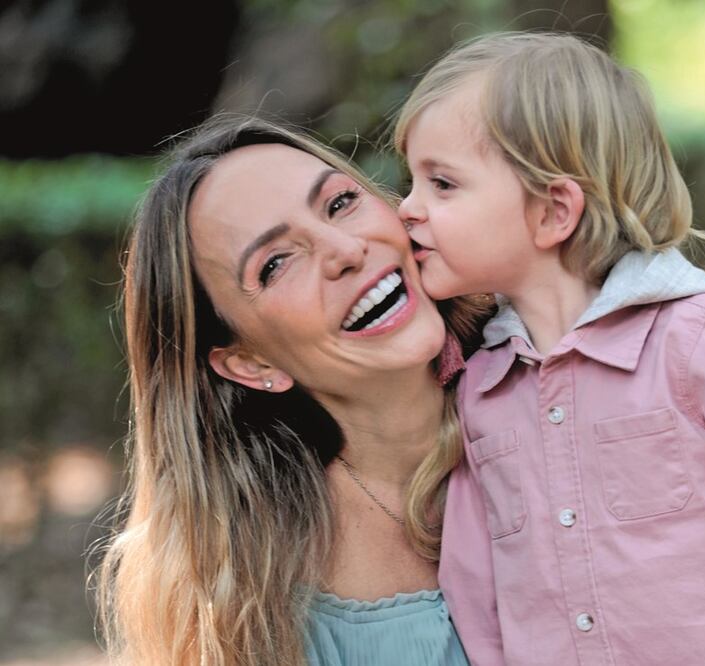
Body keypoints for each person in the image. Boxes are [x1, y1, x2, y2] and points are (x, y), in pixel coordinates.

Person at [395, 32, 705, 665]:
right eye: (410, 181)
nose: (406, 209)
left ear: (554, 211)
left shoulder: (698, 337)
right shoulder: (481, 386)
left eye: (442, 184)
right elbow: (475, 588)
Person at [93, 115, 490, 666]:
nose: (345, 249)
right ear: (249, 362)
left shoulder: (578, 378)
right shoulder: (259, 606)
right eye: (276, 264)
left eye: (339, 203)